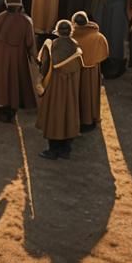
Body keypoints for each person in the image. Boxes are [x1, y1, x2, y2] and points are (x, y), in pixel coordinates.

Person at [0, 0, 36, 123]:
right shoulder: (26, 21)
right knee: (15, 81)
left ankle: (2, 109)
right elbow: (29, 42)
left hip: (0, 56)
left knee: (2, 82)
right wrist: (35, 57)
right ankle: (12, 109)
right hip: (17, 57)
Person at [36, 21, 83, 160]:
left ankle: (53, 150)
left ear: (57, 31)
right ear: (70, 31)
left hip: (55, 87)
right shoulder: (76, 47)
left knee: (54, 116)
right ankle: (65, 149)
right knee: (69, 114)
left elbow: (44, 67)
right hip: (70, 88)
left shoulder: (52, 47)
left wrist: (40, 80)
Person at [70, 10, 109, 132]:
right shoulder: (98, 37)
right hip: (92, 71)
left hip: (76, 72)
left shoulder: (71, 39)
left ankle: (79, 119)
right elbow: (105, 54)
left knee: (79, 95)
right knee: (91, 95)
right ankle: (91, 119)